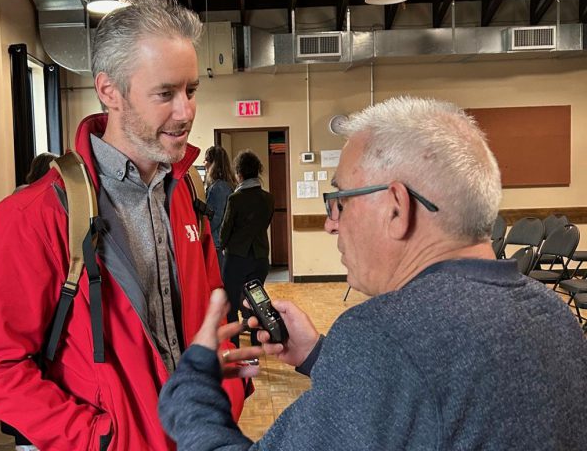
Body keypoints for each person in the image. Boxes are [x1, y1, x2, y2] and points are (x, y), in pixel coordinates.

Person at [158, 96, 587, 450]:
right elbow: (436, 409)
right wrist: (319, 357)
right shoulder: (553, 315)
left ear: (397, 208)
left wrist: (192, 383)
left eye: (340, 200)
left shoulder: (384, 337)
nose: (330, 223)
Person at [0, 0, 252, 451]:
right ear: (108, 91)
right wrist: (98, 439)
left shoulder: (188, 193)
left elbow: (205, 318)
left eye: (191, 90)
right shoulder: (33, 216)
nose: (186, 112)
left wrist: (229, 391)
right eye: (165, 94)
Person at [219, 150, 274, 347]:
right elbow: (265, 224)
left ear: (239, 173)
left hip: (236, 259)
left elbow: (225, 231)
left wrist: (221, 246)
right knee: (256, 304)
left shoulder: (236, 199)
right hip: (260, 259)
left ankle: (234, 347)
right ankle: (256, 350)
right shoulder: (268, 198)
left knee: (232, 306)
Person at [203, 146, 236, 269]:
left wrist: (201, 232)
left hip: (217, 242)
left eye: (206, 160)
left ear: (212, 163)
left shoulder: (218, 188)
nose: (204, 164)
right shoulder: (228, 185)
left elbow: (215, 218)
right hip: (224, 242)